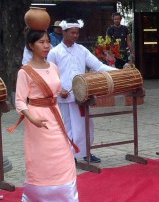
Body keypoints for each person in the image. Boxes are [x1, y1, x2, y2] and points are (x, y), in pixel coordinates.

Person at [12, 29, 80, 202]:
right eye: (41, 42)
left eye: (47, 41)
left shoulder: (53, 66)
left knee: (64, 156)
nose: (46, 45)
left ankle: (61, 199)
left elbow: (55, 90)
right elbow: (19, 100)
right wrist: (32, 118)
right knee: (39, 160)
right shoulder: (24, 72)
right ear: (31, 46)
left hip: (54, 114)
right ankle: (32, 198)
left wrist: (62, 92)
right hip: (37, 117)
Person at [46, 19, 117, 163]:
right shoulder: (54, 52)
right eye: (72, 32)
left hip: (82, 95)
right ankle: (69, 155)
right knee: (68, 127)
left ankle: (86, 152)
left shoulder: (82, 50)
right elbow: (49, 75)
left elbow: (98, 67)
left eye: (77, 33)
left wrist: (119, 72)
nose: (75, 35)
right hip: (65, 97)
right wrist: (59, 90)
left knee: (86, 126)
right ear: (64, 32)